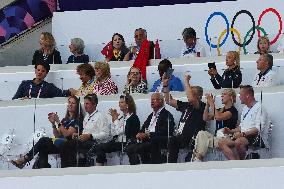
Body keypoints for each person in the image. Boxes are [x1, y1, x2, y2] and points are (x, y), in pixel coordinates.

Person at [10, 96, 83, 169]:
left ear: (77, 106)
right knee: (43, 147)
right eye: (69, 102)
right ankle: (43, 167)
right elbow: (57, 135)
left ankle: (25, 159)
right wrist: (53, 124)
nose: (70, 104)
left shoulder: (77, 120)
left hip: (68, 145)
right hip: (59, 142)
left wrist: (58, 121)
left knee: (43, 140)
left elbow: (67, 134)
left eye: (73, 103)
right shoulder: (65, 120)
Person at [162, 74, 206, 163]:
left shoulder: (202, 106)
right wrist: (165, 85)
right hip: (180, 136)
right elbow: (168, 100)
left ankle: (171, 165)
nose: (188, 94)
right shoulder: (186, 105)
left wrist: (186, 81)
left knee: (173, 140)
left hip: (191, 138)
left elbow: (192, 100)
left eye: (191, 92)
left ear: (198, 96)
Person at [218, 85, 269, 160]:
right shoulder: (245, 108)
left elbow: (258, 129)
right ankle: (236, 163)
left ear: (247, 95)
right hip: (244, 136)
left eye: (241, 95)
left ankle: (240, 164)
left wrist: (242, 134)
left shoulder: (259, 107)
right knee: (222, 142)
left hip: (257, 137)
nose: (239, 97)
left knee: (239, 141)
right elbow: (241, 126)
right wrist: (231, 131)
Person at [60, 94, 110, 167]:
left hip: (94, 142)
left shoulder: (101, 116)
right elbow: (85, 133)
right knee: (66, 144)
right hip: (85, 141)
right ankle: (67, 168)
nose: (85, 106)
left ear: (94, 104)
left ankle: (68, 168)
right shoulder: (86, 117)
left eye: (87, 104)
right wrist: (78, 134)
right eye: (84, 103)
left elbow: (106, 134)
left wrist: (90, 136)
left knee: (68, 145)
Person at [126, 92, 175, 165]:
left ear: (161, 101)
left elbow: (166, 131)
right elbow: (143, 128)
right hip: (147, 140)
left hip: (157, 140)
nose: (152, 101)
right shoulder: (151, 116)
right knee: (130, 147)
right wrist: (139, 134)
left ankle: (147, 166)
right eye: (151, 100)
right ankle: (136, 169)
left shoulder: (167, 115)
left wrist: (148, 135)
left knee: (141, 147)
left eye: (154, 99)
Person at [192, 89, 238, 162]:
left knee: (204, 138)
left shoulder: (233, 111)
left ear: (231, 97)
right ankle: (198, 158)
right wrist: (207, 104)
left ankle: (198, 159)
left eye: (224, 94)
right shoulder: (220, 110)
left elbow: (218, 117)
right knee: (201, 133)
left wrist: (212, 103)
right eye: (221, 94)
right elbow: (205, 118)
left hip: (226, 137)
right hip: (217, 136)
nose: (222, 96)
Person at [96, 94, 140, 165]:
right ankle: (100, 167)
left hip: (127, 142)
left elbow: (121, 131)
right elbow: (114, 133)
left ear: (128, 104)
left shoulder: (133, 117)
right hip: (118, 141)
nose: (119, 104)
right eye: (119, 102)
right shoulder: (121, 117)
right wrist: (114, 119)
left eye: (122, 102)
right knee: (100, 147)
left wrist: (115, 119)